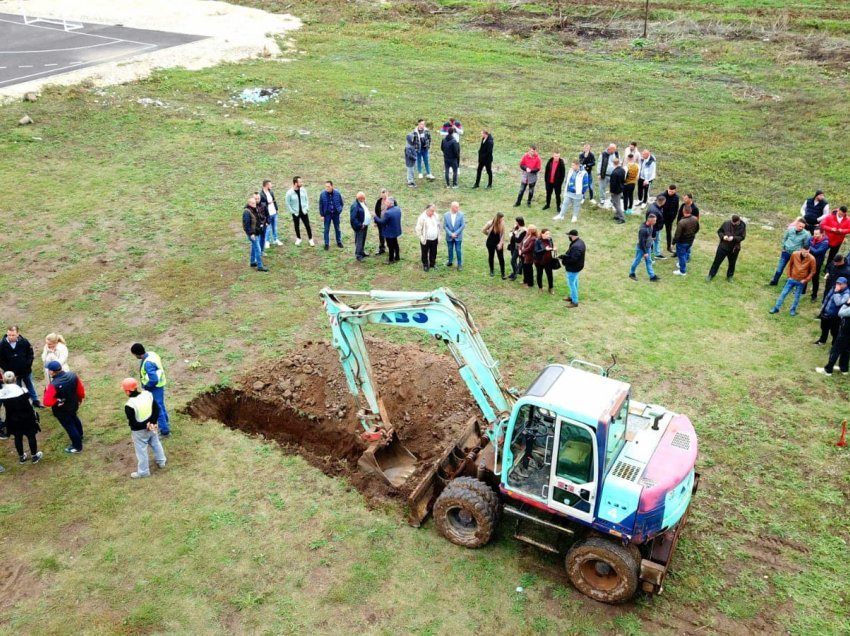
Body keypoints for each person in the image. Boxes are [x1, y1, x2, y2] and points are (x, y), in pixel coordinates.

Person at [122, 377, 166, 479]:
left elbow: (133, 423)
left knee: (141, 451)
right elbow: (156, 408)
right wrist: (152, 422)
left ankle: (143, 472)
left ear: (128, 391)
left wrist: (145, 425)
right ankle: (161, 461)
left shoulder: (129, 405)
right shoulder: (147, 394)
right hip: (153, 426)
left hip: (140, 432)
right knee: (156, 443)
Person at [43, 360, 85, 453]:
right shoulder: (72, 375)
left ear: (52, 371)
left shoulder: (53, 385)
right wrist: (80, 399)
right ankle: (80, 435)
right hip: (73, 404)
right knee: (74, 417)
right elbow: (80, 390)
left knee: (69, 426)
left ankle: (77, 447)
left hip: (61, 410)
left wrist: (56, 400)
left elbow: (47, 402)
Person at [1, 371, 42, 464]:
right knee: (31, 436)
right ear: (15, 378)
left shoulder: (2, 393)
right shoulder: (23, 390)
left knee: (17, 437)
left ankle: (21, 457)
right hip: (27, 417)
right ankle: (34, 456)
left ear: (4, 380)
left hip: (12, 419)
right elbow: (30, 402)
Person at [130, 343, 170, 437]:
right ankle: (166, 423)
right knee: (161, 405)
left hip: (154, 388)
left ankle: (165, 431)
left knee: (157, 409)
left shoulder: (147, 364)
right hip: (160, 386)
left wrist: (147, 386)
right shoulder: (152, 354)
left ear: (137, 354)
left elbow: (154, 379)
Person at [769, 244, 816, 316]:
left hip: (801, 281)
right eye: (804, 252)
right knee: (783, 293)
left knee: (797, 296)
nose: (805, 254)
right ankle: (776, 308)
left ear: (809, 250)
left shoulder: (812, 259)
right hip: (792, 278)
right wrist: (789, 276)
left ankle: (793, 309)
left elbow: (813, 271)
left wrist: (806, 280)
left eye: (807, 252)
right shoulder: (794, 254)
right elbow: (790, 265)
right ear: (801, 250)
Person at [0, 326, 41, 407]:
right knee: (17, 389)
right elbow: (1, 360)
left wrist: (28, 364)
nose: (11, 337)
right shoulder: (2, 345)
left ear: (17, 334)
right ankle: (22, 404)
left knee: (30, 385)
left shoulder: (24, 342)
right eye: (9, 335)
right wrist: (10, 371)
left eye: (13, 335)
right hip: (13, 374)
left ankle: (36, 401)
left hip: (26, 371)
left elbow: (30, 354)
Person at [769, 218, 811, 286]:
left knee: (792, 269)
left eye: (803, 227)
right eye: (800, 226)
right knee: (780, 266)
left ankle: (789, 283)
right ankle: (775, 281)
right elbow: (785, 238)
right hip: (786, 252)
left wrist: (800, 253)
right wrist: (783, 248)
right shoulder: (790, 230)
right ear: (796, 224)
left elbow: (806, 245)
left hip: (795, 255)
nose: (801, 228)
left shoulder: (806, 234)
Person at [707, 215, 747, 281]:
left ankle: (730, 276)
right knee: (717, 261)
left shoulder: (742, 226)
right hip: (723, 246)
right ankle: (711, 275)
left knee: (732, 263)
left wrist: (733, 238)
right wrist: (723, 237)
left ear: (738, 221)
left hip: (734, 248)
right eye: (732, 222)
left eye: (735, 223)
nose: (733, 224)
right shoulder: (726, 223)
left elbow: (742, 237)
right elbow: (720, 231)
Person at [816, 298, 850, 376]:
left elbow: (841, 313)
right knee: (846, 349)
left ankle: (828, 370)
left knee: (835, 349)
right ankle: (844, 368)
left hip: (845, 331)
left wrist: (847, 304)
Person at [815, 277, 850, 346]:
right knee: (824, 328)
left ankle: (833, 345)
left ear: (845, 284)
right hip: (826, 313)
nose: (838, 285)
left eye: (840, 284)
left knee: (834, 332)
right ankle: (822, 341)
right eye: (837, 283)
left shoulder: (847, 293)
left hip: (835, 316)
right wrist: (823, 308)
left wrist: (836, 292)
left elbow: (838, 303)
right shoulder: (833, 287)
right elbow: (827, 297)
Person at [629, 214, 660, 282]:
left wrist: (651, 240)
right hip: (641, 249)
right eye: (654, 221)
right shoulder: (643, 230)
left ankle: (652, 276)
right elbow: (641, 242)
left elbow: (648, 236)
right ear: (650, 221)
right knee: (637, 261)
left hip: (647, 247)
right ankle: (631, 273)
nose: (655, 222)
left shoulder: (650, 226)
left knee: (648, 261)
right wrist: (645, 252)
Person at [285, 176, 315, 247]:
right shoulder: (289, 193)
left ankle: (310, 239)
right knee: (296, 226)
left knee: (307, 225)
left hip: (304, 211)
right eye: (300, 182)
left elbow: (306, 199)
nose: (301, 183)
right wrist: (292, 212)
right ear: (295, 183)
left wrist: (306, 208)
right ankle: (298, 238)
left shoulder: (303, 190)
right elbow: (287, 203)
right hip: (296, 212)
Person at [242, 194, 268, 272]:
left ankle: (253, 262)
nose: (255, 204)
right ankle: (260, 266)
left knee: (254, 247)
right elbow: (247, 225)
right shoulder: (247, 212)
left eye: (255, 203)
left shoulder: (254, 209)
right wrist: (251, 234)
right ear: (249, 204)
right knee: (258, 249)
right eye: (253, 203)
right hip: (253, 234)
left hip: (256, 232)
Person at [561, 229, 585, 308]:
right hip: (578, 267)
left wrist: (564, 260)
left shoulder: (576, 246)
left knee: (571, 284)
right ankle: (572, 296)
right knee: (575, 282)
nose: (569, 237)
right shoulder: (580, 242)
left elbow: (573, 259)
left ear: (573, 236)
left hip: (573, 268)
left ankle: (575, 301)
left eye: (569, 236)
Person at [672, 205, 699, 276]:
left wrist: (673, 242)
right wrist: (692, 234)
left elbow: (677, 234)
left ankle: (682, 271)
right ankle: (682, 264)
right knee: (686, 252)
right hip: (690, 240)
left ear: (683, 211)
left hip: (682, 242)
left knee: (681, 255)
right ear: (690, 211)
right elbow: (697, 228)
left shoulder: (682, 222)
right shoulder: (695, 219)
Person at [373, 198, 402, 263]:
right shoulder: (398, 209)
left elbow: (382, 222)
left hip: (389, 232)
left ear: (389, 204)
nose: (385, 203)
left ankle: (391, 259)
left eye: (386, 202)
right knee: (395, 243)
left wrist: (375, 216)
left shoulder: (388, 213)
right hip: (395, 230)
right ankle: (397, 257)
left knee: (390, 245)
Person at [806, 227, 830, 300]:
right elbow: (805, 246)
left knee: (815, 279)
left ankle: (814, 295)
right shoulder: (811, 238)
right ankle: (802, 291)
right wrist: (810, 248)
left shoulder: (825, 242)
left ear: (822, 234)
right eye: (814, 234)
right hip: (808, 260)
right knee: (805, 274)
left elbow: (817, 252)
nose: (815, 236)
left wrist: (810, 247)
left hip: (817, 263)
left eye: (817, 234)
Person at [319, 180, 344, 250]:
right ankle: (326, 244)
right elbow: (320, 205)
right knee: (326, 229)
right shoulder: (322, 194)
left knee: (337, 228)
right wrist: (322, 215)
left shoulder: (337, 193)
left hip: (336, 214)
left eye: (328, 186)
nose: (327, 188)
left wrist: (339, 210)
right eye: (326, 187)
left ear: (332, 186)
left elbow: (341, 203)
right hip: (327, 214)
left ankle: (339, 242)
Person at [415, 204, 440, 272]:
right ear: (427, 209)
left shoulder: (436, 216)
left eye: (434, 211)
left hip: (434, 238)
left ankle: (432, 263)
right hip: (426, 239)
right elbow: (418, 229)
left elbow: (438, 225)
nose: (433, 212)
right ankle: (425, 265)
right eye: (431, 211)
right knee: (424, 252)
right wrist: (421, 237)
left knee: (434, 252)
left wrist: (438, 235)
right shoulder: (422, 217)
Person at [483, 212, 507, 279]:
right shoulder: (490, 223)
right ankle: (492, 270)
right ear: (498, 218)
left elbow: (503, 234)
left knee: (501, 258)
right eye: (501, 218)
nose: (502, 220)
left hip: (498, 243)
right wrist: (488, 234)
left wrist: (500, 243)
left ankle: (503, 273)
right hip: (490, 243)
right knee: (491, 256)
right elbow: (483, 230)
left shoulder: (502, 223)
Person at [259, 180, 282, 247]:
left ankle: (276, 239)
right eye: (270, 184)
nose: (271, 185)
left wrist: (276, 209)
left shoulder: (271, 192)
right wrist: (267, 203)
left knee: (275, 227)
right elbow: (261, 204)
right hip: (268, 214)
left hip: (274, 212)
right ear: (266, 185)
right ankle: (267, 241)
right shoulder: (261, 194)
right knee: (268, 228)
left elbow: (274, 201)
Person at [350, 191, 371, 262]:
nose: (365, 199)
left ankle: (362, 252)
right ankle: (358, 255)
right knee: (359, 240)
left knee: (363, 239)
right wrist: (360, 225)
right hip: (360, 227)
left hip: (365, 225)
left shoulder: (362, 203)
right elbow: (353, 218)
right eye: (363, 198)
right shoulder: (355, 206)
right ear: (360, 198)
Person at [444, 201, 465, 270]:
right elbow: (445, 226)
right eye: (456, 207)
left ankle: (459, 264)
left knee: (458, 250)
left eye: (458, 207)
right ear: (452, 207)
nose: (458, 208)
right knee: (450, 249)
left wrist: (455, 233)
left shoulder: (461, 215)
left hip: (458, 236)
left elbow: (462, 225)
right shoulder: (446, 215)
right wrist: (450, 234)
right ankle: (450, 261)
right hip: (449, 237)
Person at [533, 229, 556, 294]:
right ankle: (540, 288)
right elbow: (536, 251)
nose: (548, 235)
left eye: (549, 234)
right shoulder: (538, 241)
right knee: (539, 275)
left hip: (548, 260)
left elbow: (551, 247)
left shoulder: (550, 239)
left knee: (550, 275)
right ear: (542, 234)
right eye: (546, 234)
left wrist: (553, 249)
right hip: (539, 261)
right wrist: (544, 249)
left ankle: (551, 288)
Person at [645, 195, 667, 259]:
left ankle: (653, 252)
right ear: (663, 201)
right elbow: (652, 223)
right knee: (655, 241)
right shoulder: (654, 211)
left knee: (654, 241)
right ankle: (656, 254)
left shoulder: (656, 206)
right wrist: (653, 234)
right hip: (655, 229)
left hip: (656, 228)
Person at [597, 144, 618, 209]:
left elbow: (618, 162)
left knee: (613, 188)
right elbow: (599, 164)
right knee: (602, 188)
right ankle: (602, 200)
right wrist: (598, 174)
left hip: (613, 175)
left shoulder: (616, 154)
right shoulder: (603, 154)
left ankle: (612, 200)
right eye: (614, 149)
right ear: (609, 148)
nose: (615, 151)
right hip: (604, 174)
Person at [661, 184, 680, 253]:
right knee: (656, 232)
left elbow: (676, 209)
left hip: (669, 219)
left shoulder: (676, 198)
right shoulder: (662, 195)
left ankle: (669, 247)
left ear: (675, 191)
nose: (671, 193)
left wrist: (673, 217)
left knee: (669, 233)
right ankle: (651, 247)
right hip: (661, 217)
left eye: (672, 192)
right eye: (670, 191)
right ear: (667, 189)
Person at [609, 158, 626, 224]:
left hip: (615, 191)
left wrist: (611, 191)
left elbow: (613, 184)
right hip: (620, 188)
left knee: (616, 204)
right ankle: (617, 215)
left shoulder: (614, 173)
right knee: (617, 202)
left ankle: (622, 218)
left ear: (613, 163)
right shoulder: (622, 170)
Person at [373, 189, 390, 255]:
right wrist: (376, 221)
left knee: (389, 236)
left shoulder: (391, 201)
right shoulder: (379, 201)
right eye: (382, 194)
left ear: (387, 193)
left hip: (388, 222)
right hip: (381, 222)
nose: (383, 195)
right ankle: (382, 248)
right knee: (381, 235)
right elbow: (376, 211)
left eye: (384, 194)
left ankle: (391, 249)